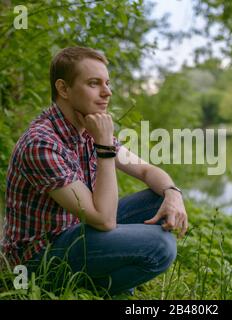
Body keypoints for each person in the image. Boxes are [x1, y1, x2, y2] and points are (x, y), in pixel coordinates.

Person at [1, 46, 188, 296]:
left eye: (107, 83)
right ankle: (97, 285)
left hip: (73, 230)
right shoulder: (42, 144)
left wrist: (173, 193)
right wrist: (104, 147)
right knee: (161, 246)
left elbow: (145, 170)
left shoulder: (88, 126)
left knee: (159, 196)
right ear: (64, 89)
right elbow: (104, 220)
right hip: (38, 259)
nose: (107, 92)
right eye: (94, 83)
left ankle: (103, 277)